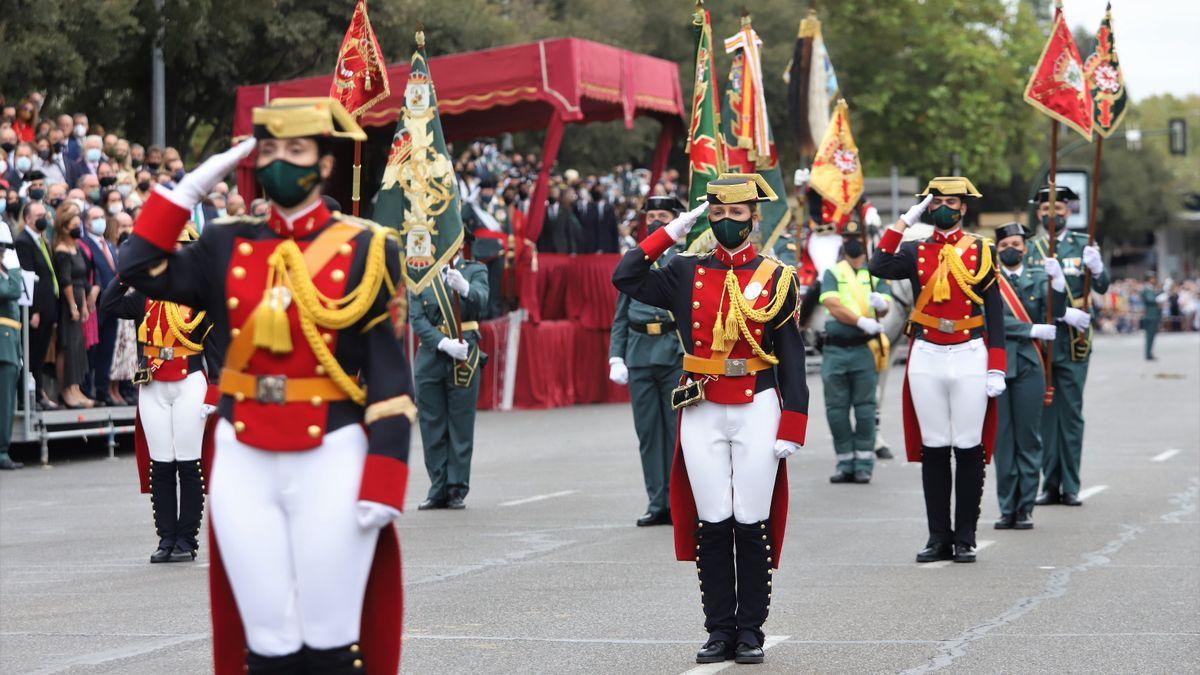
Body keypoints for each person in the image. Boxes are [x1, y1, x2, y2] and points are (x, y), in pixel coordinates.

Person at [117, 97, 412, 673]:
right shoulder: (225, 242)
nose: (282, 161)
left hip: (331, 450)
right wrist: (190, 187)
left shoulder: (371, 248)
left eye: (296, 150)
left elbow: (390, 379)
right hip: (244, 454)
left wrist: (386, 475)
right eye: (270, 150)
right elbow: (136, 266)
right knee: (265, 644)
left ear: (324, 164)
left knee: (330, 642)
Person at [613, 173, 808, 665]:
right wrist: (674, 229)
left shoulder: (776, 277)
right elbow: (627, 275)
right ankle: (719, 629)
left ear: (753, 219)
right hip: (701, 404)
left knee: (751, 520)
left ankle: (751, 631)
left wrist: (794, 423)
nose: (725, 222)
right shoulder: (684, 269)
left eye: (735, 214)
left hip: (758, 403)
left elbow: (791, 355)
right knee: (713, 521)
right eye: (717, 214)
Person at [868, 177, 1005, 564]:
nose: (945, 207)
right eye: (937, 201)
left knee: (968, 446)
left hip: (970, 352)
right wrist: (902, 223)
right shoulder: (914, 249)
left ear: (964, 207)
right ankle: (937, 536)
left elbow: (993, 313)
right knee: (934, 447)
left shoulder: (981, 250)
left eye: (952, 201)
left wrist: (997, 365)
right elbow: (879, 263)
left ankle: (966, 537)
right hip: (927, 351)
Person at [100, 228, 215, 563]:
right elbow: (108, 304)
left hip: (189, 379)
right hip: (152, 382)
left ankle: (187, 540)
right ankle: (166, 538)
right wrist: (126, 272)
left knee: (189, 462)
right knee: (161, 463)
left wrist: (217, 390)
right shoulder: (144, 294)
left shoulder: (201, 295)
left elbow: (216, 346)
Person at [1024, 186, 1108, 508]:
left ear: (1068, 211)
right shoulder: (1030, 248)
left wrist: (1097, 267)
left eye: (1058, 208)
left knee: (1071, 416)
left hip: (1073, 342)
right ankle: (1050, 482)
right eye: (1046, 209)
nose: (1052, 214)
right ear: (1038, 214)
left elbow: (1102, 285)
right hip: (1042, 340)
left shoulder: (1083, 244)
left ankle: (1071, 484)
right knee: (1044, 415)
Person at [609, 195, 686, 526]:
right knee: (648, 434)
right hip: (640, 353)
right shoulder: (636, 260)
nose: (656, 220)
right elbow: (621, 316)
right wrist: (616, 355)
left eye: (663, 215)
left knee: (675, 432)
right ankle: (657, 502)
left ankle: (678, 502)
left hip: (674, 351)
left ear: (675, 219)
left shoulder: (683, 260)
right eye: (651, 215)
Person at [992, 223, 1064, 530]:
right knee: (1002, 440)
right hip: (998, 365)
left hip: (1031, 366)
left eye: (1017, 244)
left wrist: (1058, 283)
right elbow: (988, 318)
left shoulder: (1038, 278)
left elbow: (1056, 311)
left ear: (1025, 248)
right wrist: (1029, 329)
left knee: (1029, 438)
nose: (1011, 248)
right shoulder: (988, 281)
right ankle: (1006, 507)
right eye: (1005, 243)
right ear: (997, 249)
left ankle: (1025, 507)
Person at [409, 239, 489, 511]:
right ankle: (437, 487)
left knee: (460, 424)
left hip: (464, 351)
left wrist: (464, 288)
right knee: (431, 424)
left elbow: (482, 300)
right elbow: (416, 317)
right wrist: (442, 343)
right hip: (433, 353)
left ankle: (456, 488)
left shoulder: (473, 270)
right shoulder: (420, 274)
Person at [819, 219, 892, 484]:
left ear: (865, 244)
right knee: (836, 410)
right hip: (835, 350)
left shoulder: (875, 274)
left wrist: (880, 304)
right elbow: (833, 305)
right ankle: (844, 462)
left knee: (864, 409)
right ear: (843, 242)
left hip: (863, 349)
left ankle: (863, 463)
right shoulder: (833, 272)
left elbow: (886, 305)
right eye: (848, 239)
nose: (853, 244)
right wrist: (861, 320)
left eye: (857, 240)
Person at [14, 200, 59, 409]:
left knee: (40, 354)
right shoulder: (24, 241)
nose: (44, 219)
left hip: (49, 307)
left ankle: (39, 392)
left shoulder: (42, 240)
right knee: (31, 354)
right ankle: (28, 397)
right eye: (39, 215)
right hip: (36, 310)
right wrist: (35, 311)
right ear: (28, 218)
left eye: (45, 215)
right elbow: (29, 278)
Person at [52, 205, 95, 408]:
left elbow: (83, 278)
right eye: (75, 225)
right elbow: (66, 280)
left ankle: (76, 387)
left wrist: (84, 305)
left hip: (79, 296)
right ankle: (66, 390)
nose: (79, 229)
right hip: (68, 300)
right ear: (65, 227)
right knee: (67, 345)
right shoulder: (61, 250)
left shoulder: (76, 247)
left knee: (78, 346)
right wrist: (73, 306)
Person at [81, 204, 119, 405]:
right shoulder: (84, 244)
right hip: (96, 304)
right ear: (86, 223)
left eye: (102, 217)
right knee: (92, 349)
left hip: (112, 304)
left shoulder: (110, 245)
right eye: (95, 218)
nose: (100, 221)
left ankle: (103, 389)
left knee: (107, 348)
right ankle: (87, 389)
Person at [0, 227, 25, 469]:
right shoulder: (9, 275)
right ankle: (1, 451)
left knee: (6, 401)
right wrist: (16, 271)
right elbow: (12, 291)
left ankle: (2, 449)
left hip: (9, 343)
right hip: (2, 344)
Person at [1140, 272, 1164, 360]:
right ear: (1149, 279)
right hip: (1149, 315)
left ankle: (1149, 353)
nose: (1155, 280)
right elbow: (1150, 300)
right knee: (1149, 336)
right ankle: (1148, 354)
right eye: (1153, 278)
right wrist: (1158, 299)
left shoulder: (1151, 289)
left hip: (1153, 315)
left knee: (1152, 336)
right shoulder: (1146, 289)